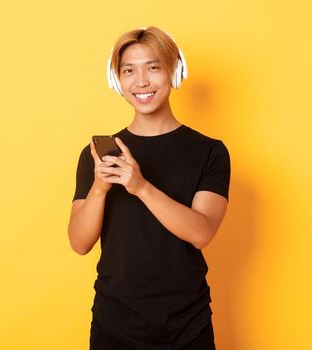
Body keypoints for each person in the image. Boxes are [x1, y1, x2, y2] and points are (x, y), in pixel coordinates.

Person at [67, 26, 230, 350]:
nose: (141, 82)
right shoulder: (97, 155)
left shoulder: (210, 151)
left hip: (188, 325)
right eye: (129, 71)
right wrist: (100, 188)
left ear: (174, 71)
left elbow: (202, 232)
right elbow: (79, 243)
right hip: (113, 325)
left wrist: (140, 186)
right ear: (117, 80)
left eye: (153, 68)